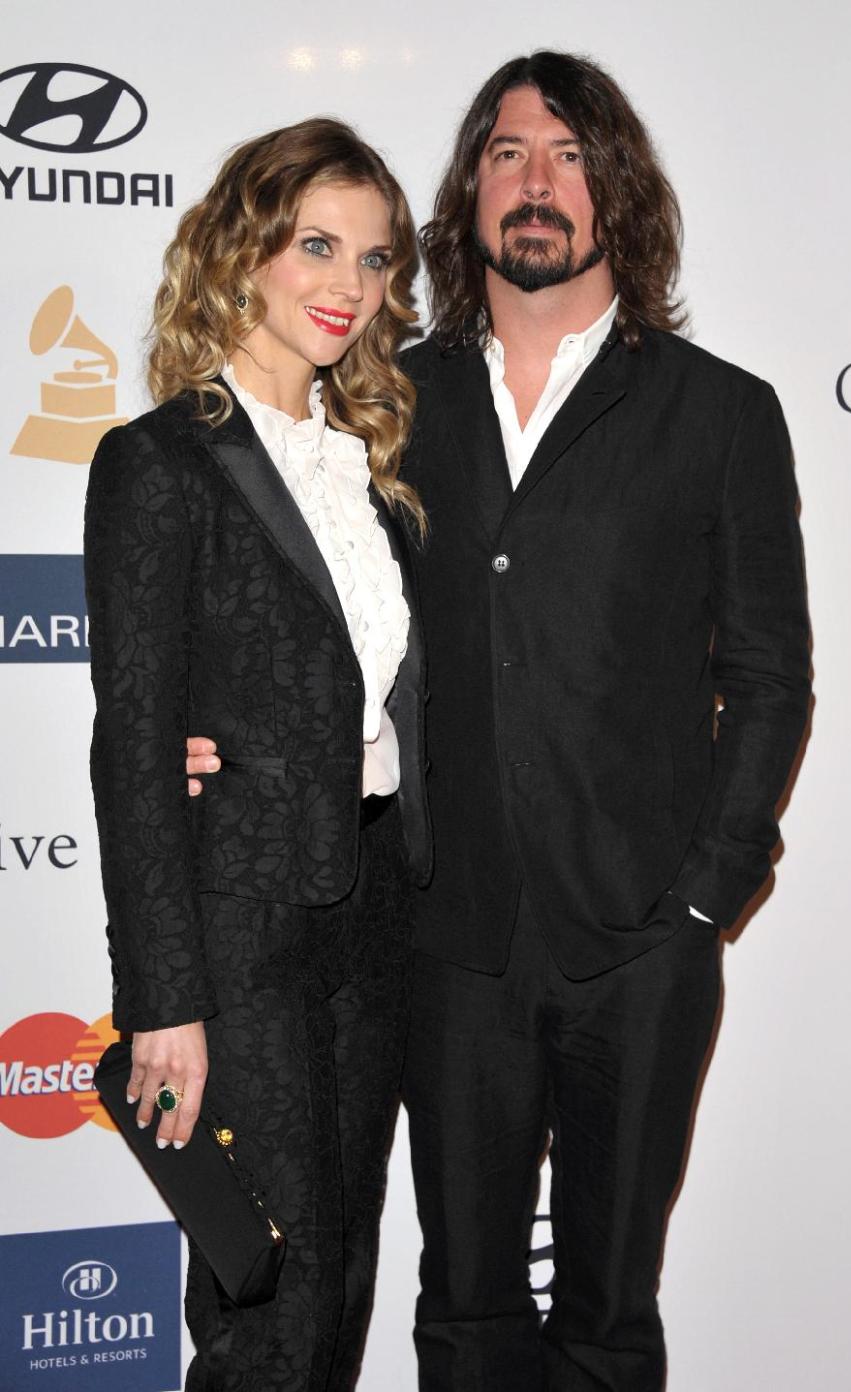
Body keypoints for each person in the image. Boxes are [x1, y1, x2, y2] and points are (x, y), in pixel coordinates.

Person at [188, 49, 811, 1392]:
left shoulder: (720, 416)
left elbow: (770, 674)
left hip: (641, 943)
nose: (538, 184)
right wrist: (211, 722)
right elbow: (305, 621)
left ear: (618, 195)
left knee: (608, 1311)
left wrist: (706, 896)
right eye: (511, 154)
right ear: (468, 190)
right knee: (462, 1307)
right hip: (445, 938)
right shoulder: (384, 405)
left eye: (571, 156)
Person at [86, 117, 430, 1392]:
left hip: (376, 910)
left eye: (379, 260)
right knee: (266, 1293)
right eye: (319, 246)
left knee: (341, 1278)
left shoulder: (373, 471)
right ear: (245, 250)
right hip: (238, 932)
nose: (351, 285)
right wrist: (161, 1000)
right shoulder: (160, 463)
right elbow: (132, 749)